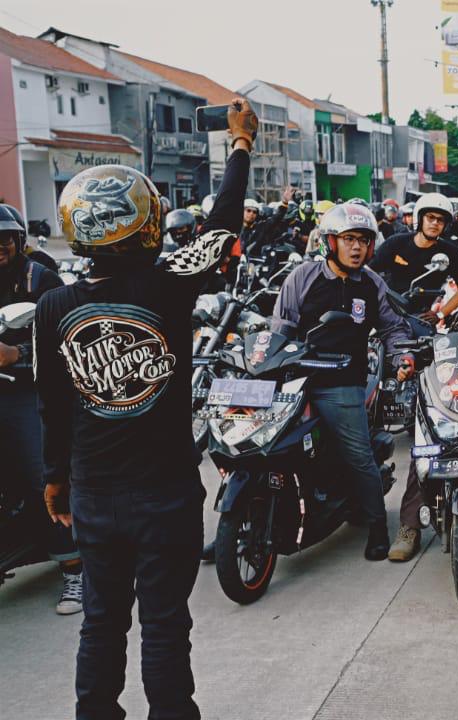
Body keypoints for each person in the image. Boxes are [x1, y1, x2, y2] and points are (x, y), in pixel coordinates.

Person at [34, 98, 258, 719]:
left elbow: (54, 404)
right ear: (144, 222)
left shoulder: (53, 306)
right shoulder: (169, 284)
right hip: (165, 494)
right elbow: (222, 225)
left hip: (95, 494)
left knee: (101, 622)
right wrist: (239, 143)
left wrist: (55, 478)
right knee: (164, 625)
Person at [272, 201, 414, 561]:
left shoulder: (372, 284)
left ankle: (378, 527)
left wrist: (402, 358)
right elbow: (280, 328)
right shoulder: (303, 277)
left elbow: (393, 329)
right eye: (349, 239)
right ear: (330, 242)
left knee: (358, 455)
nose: (356, 248)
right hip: (294, 378)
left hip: (342, 382)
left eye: (363, 240)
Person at [0, 202, 82, 614]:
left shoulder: (40, 279)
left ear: (18, 240)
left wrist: (17, 354)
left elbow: (68, 344)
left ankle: (75, 569)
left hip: (25, 390)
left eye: (4, 239)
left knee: (42, 476)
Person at [370, 193, 458, 320]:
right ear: (420, 218)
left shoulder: (450, 252)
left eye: (440, 220)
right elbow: (368, 272)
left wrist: (440, 314)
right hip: (387, 309)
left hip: (420, 317)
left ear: (446, 224)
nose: (435, 223)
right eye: (430, 217)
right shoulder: (396, 243)